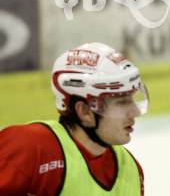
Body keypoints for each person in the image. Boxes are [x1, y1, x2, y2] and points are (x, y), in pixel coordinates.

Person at [0, 42, 148, 195]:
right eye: (121, 102)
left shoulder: (131, 171)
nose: (135, 111)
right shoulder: (30, 147)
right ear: (85, 111)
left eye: (131, 99)